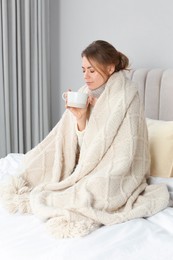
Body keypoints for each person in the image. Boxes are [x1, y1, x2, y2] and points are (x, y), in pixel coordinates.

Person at [0, 40, 169, 239]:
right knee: (41, 174)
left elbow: (128, 150)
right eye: (83, 70)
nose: (86, 76)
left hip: (116, 169)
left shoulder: (127, 95)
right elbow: (80, 145)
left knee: (94, 191)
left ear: (110, 67)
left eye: (92, 71)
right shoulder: (83, 94)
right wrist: (79, 118)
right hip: (84, 164)